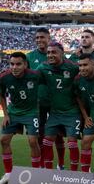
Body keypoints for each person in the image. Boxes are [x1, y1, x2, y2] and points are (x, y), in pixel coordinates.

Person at [0, 52, 41, 184]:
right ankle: (8, 174)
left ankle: (36, 174)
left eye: (18, 64)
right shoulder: (4, 77)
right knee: (3, 140)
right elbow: (1, 95)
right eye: (12, 64)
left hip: (31, 112)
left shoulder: (35, 75)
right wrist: (5, 115)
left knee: (33, 142)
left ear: (25, 64)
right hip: (13, 112)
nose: (14, 67)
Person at [37, 41, 81, 171]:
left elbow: (87, 72)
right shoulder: (43, 68)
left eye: (54, 52)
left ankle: (73, 174)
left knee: (72, 143)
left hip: (72, 112)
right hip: (54, 113)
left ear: (62, 53)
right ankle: (49, 173)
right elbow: (30, 77)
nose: (50, 55)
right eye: (48, 52)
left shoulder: (73, 67)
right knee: (46, 141)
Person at [26, 27, 65, 169]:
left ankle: (61, 164)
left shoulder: (56, 53)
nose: (39, 40)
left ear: (49, 39)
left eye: (42, 37)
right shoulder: (29, 57)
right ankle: (43, 165)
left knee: (58, 134)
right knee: (40, 134)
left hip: (56, 101)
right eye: (37, 38)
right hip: (38, 101)